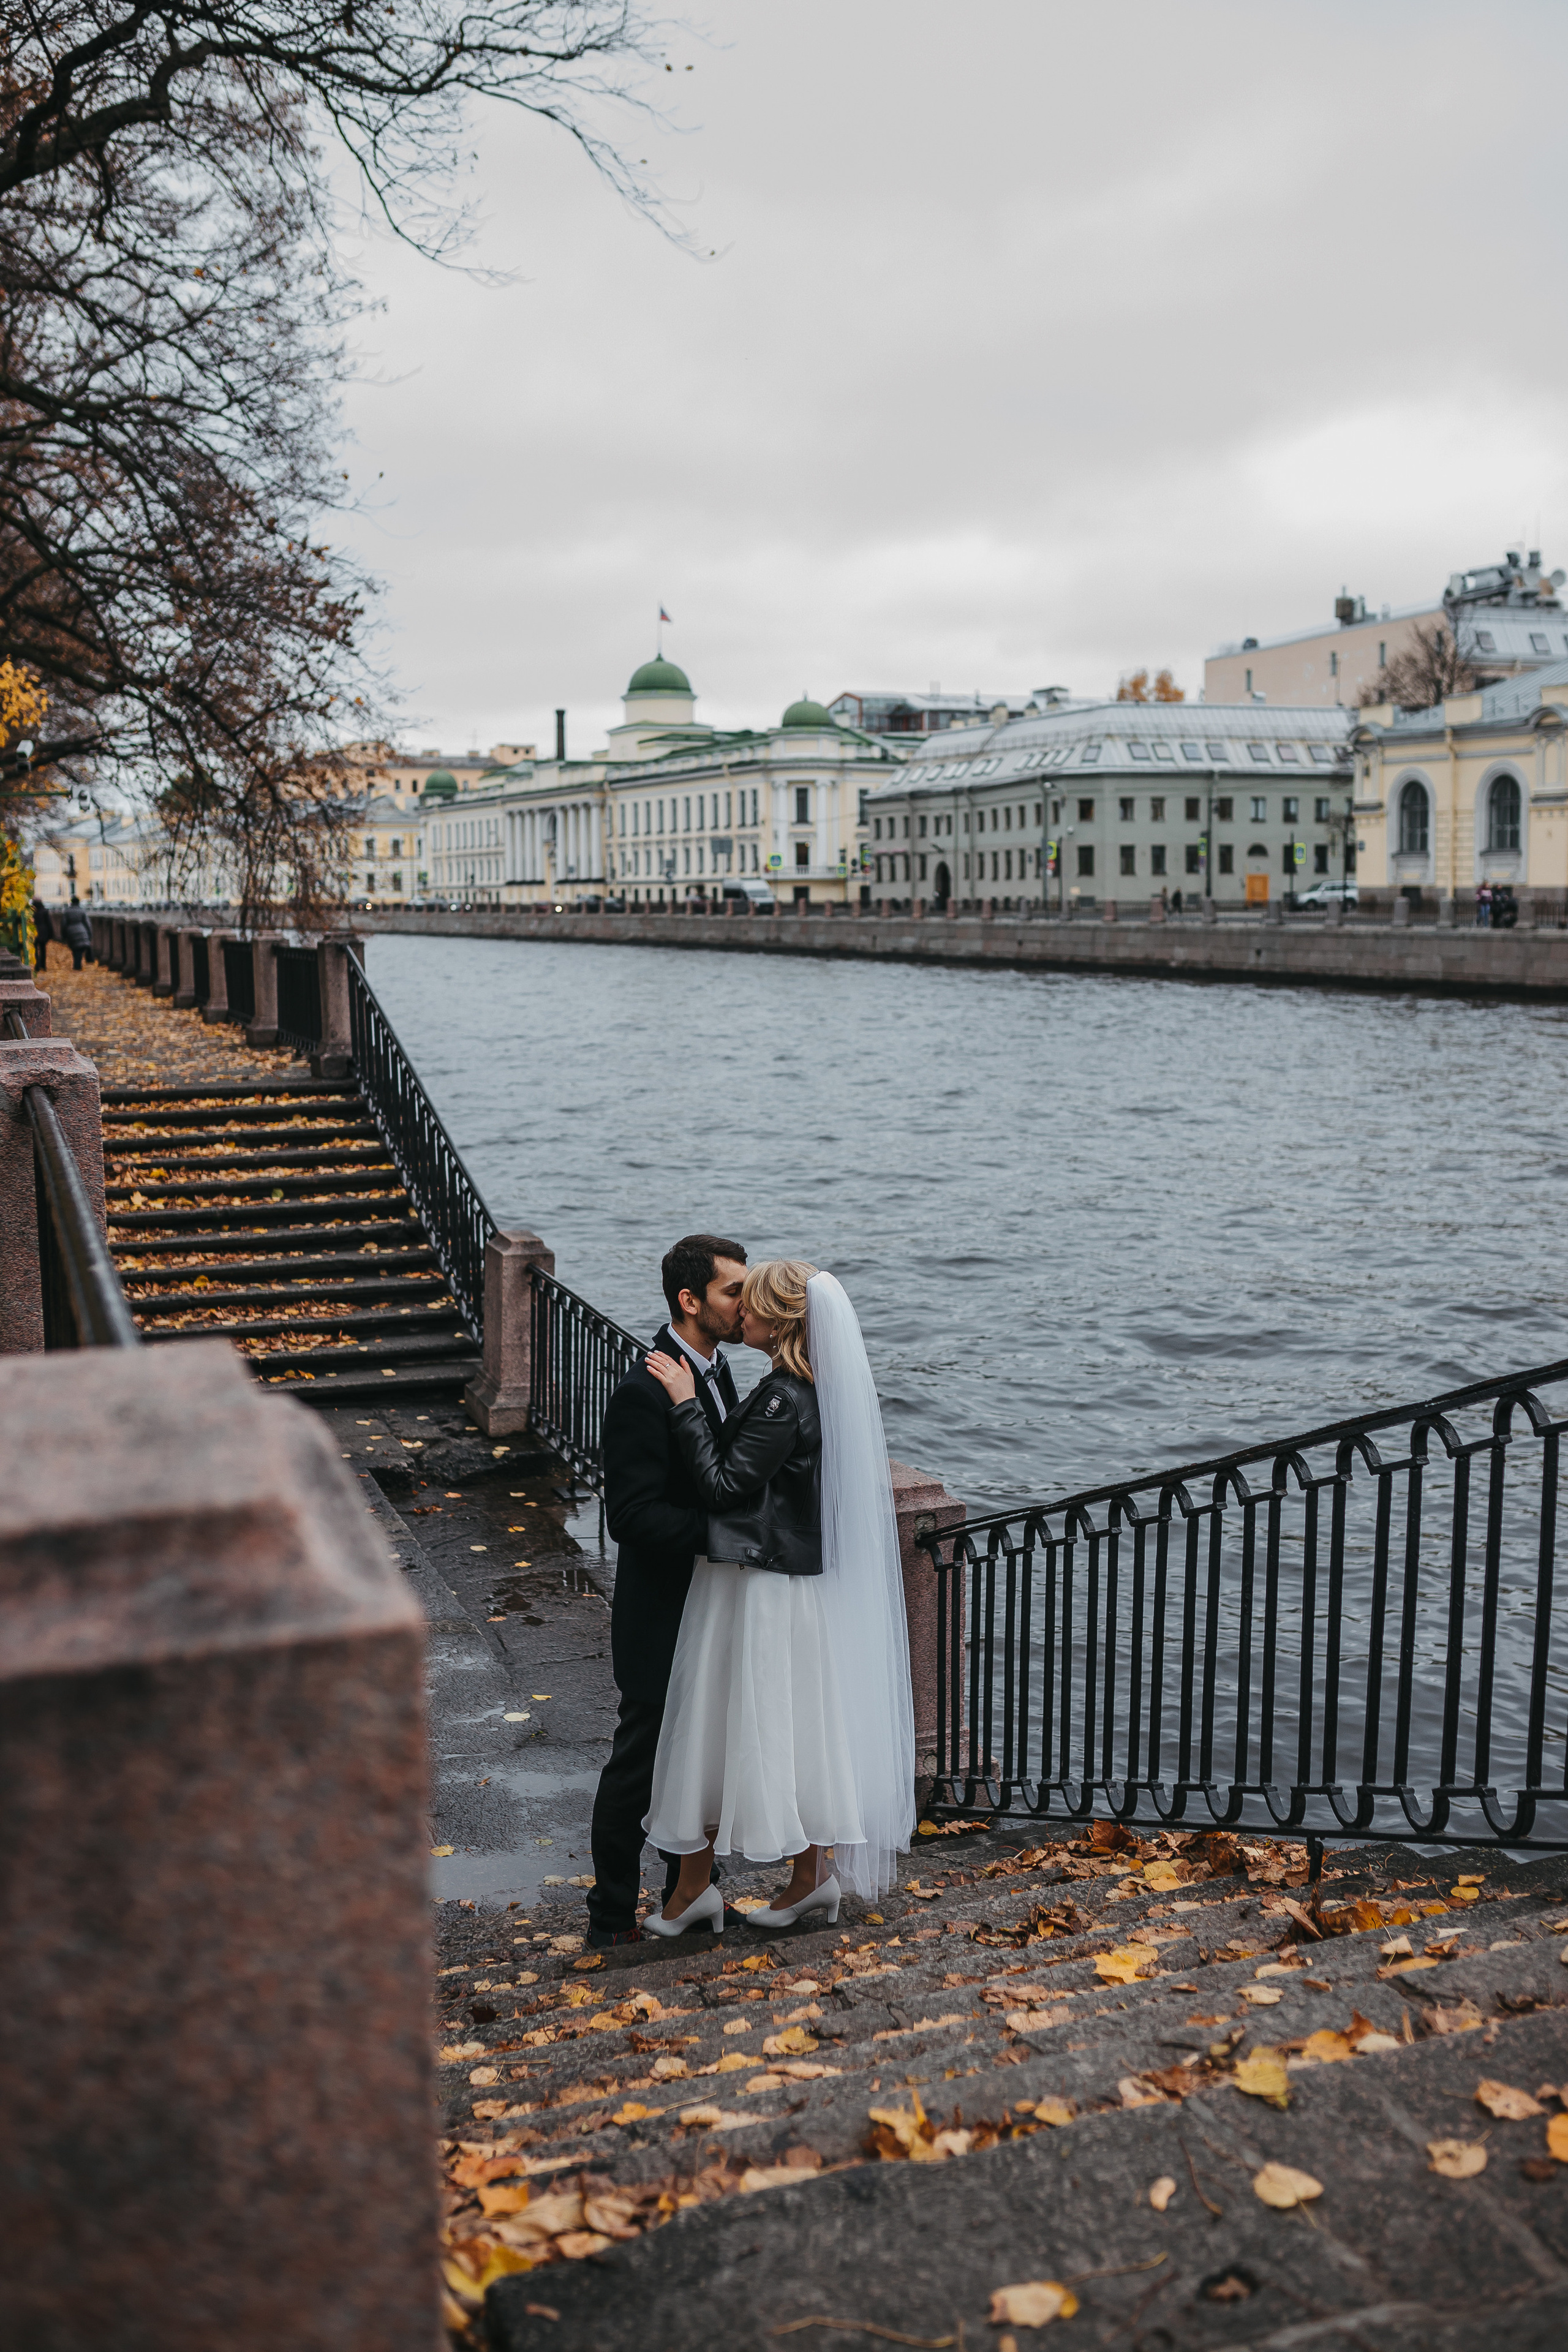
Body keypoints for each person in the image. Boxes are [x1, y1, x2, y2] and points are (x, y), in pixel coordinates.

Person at [639, 1260, 916, 1937]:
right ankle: (805, 1878)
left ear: (780, 1320)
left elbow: (722, 1486)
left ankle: (710, 1891)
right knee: (793, 1729)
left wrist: (682, 1404)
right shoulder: (800, 1390)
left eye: (750, 1306)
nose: (740, 1316)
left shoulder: (782, 1398)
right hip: (779, 1579)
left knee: (731, 1725)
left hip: (755, 1583)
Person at [586, 1234, 749, 1948]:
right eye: (732, 1292)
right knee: (641, 1761)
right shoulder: (640, 1389)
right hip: (661, 1612)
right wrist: (725, 1531)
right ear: (690, 1301)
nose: (745, 1305)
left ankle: (688, 1895)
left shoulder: (715, 1373)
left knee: (700, 1757)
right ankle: (610, 1916)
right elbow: (631, 1516)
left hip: (710, 1606)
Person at [60, 897, 92, 970]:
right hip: (82, 931)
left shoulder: (67, 911)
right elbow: (88, 923)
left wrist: (64, 935)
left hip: (71, 932)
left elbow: (64, 924)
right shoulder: (82, 911)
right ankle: (78, 965)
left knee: (75, 949)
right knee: (80, 949)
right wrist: (90, 934)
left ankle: (77, 965)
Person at [31, 897, 52, 970]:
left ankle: (37, 965)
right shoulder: (45, 911)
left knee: (36, 949)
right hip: (44, 932)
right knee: (43, 949)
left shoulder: (33, 911)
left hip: (35, 931)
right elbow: (49, 923)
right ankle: (43, 965)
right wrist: (51, 934)